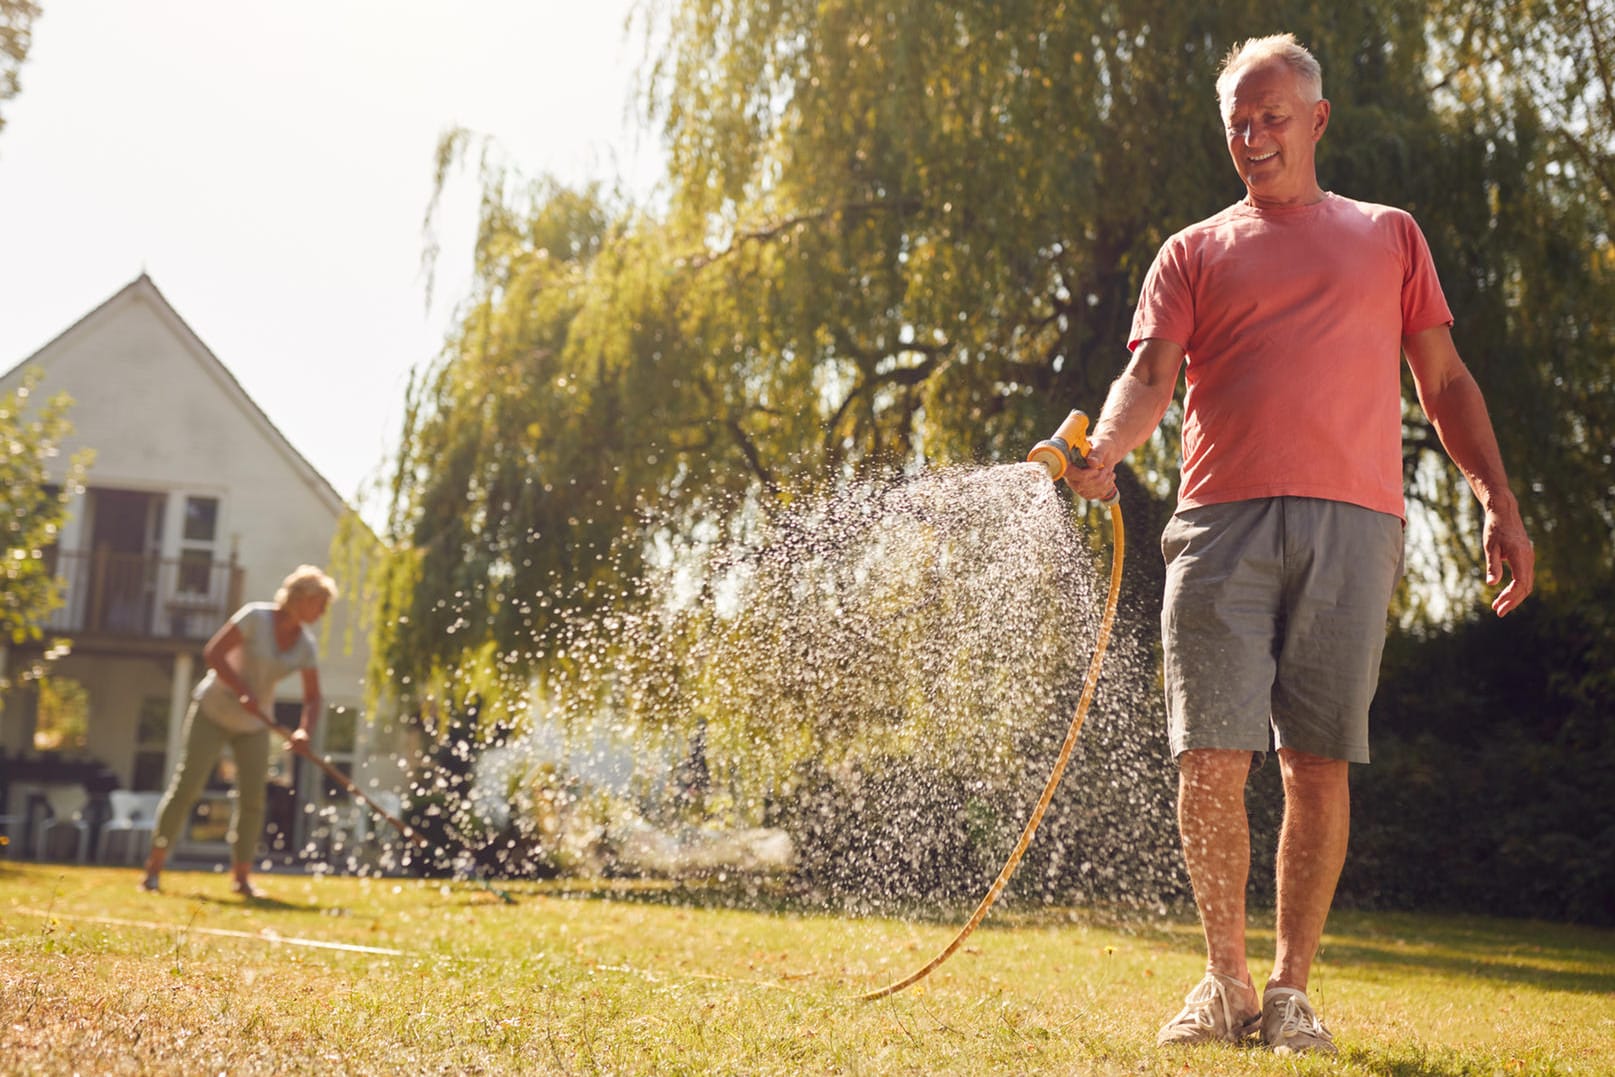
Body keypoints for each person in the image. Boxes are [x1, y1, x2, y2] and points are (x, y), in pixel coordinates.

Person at [1063, 33, 1534, 1055]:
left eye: (1272, 117)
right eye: (1238, 120)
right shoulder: (1191, 250)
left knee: (1317, 761)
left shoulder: (1388, 236)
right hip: (1219, 522)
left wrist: (1494, 497)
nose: (1254, 136)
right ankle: (1224, 983)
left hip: (1353, 524)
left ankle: (1289, 995)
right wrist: (1102, 450)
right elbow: (1149, 379)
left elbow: (1443, 384)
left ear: (1317, 121)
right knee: (1208, 758)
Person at [141, 565, 338, 898]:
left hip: (255, 722)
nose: (322, 612)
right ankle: (154, 868)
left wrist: (304, 731)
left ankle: (242, 878)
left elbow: (313, 697)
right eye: (320, 603)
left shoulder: (305, 645)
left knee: (253, 800)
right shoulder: (254, 618)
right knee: (188, 786)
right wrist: (241, 689)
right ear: (301, 598)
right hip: (214, 710)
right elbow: (213, 653)